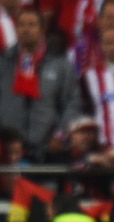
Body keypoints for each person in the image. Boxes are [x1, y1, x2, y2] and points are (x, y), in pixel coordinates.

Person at [0, 7, 81, 163]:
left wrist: (60, 135)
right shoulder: (3, 63)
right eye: (22, 25)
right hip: (7, 151)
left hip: (47, 152)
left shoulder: (60, 64)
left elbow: (72, 103)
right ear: (16, 29)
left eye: (31, 25)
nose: (26, 30)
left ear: (42, 29)